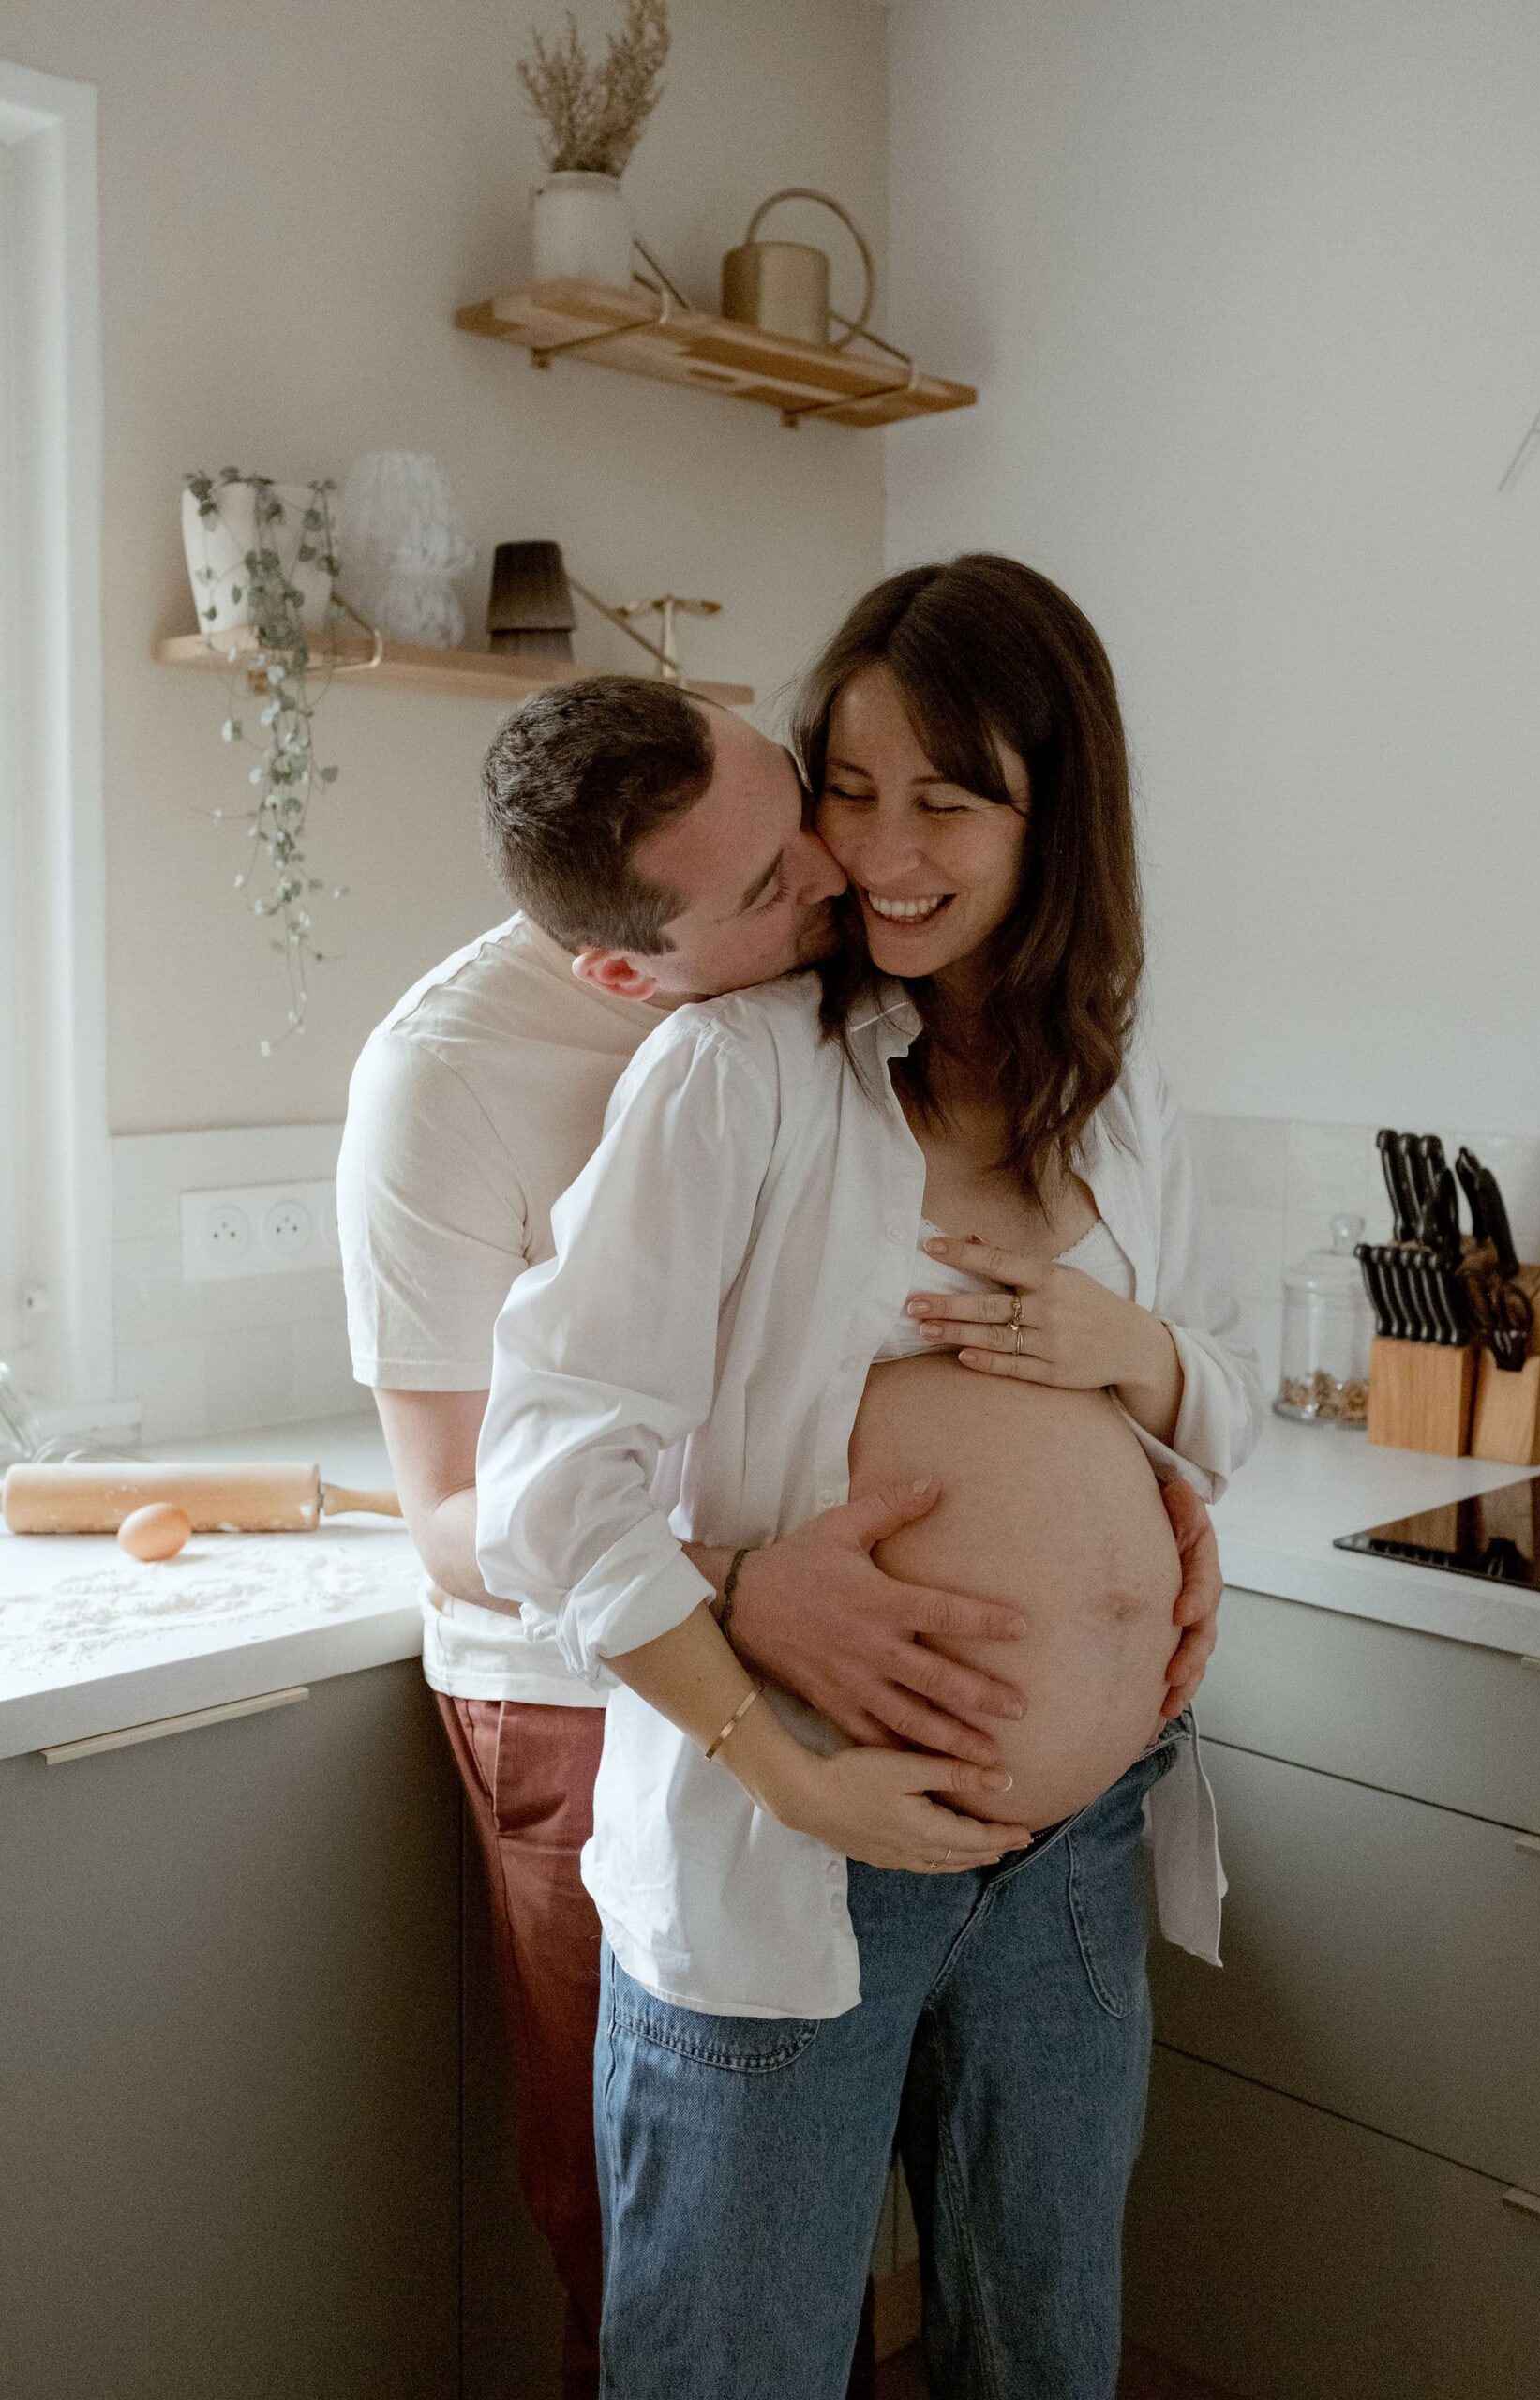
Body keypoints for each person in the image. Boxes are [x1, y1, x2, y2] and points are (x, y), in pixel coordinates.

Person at [336, 672, 1226, 2400]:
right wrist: (752, 1633)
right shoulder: (465, 1081)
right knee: (658, 2254)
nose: (846, 869)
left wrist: (1159, 1540)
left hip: (1024, 1823)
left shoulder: (902, 1018)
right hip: (590, 1689)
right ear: (628, 967)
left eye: (805, 799)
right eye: (776, 883)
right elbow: (475, 1507)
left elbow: (1039, 1370)